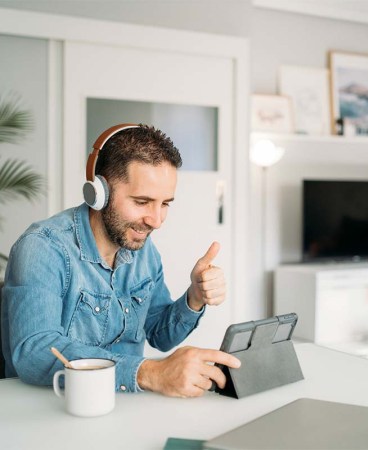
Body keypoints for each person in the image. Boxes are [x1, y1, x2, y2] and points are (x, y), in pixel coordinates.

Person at [1, 123, 240, 397]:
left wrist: (194, 298)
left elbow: (159, 336)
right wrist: (148, 373)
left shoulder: (144, 251)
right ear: (98, 192)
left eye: (164, 204)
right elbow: (34, 352)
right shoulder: (42, 248)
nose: (156, 221)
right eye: (142, 202)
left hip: (122, 405)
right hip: (49, 408)